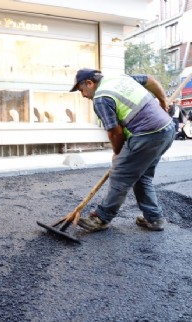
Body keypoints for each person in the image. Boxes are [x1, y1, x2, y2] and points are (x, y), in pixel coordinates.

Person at [70, 69, 175, 232]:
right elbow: (151, 80)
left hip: (147, 135)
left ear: (89, 83)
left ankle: (101, 218)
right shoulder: (120, 77)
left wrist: (118, 153)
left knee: (120, 174)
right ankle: (154, 219)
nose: (83, 95)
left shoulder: (101, 98)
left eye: (81, 90)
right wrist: (163, 102)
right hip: (166, 130)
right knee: (142, 177)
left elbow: (115, 132)